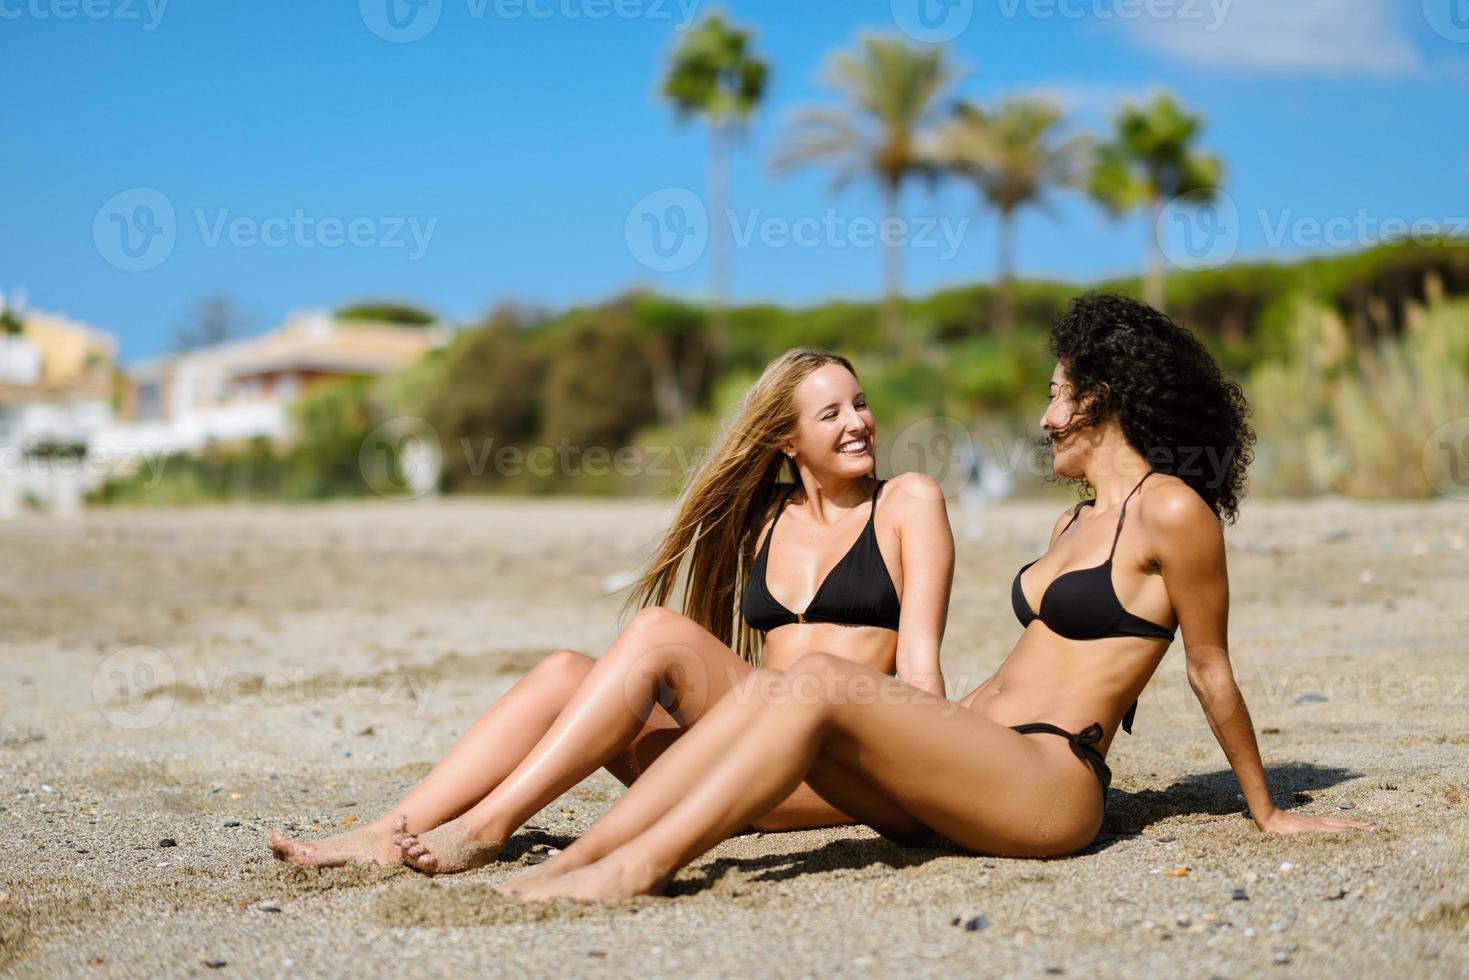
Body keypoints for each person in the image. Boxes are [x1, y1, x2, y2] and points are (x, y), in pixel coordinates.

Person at [494, 293, 1377, 902]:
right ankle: (594, 851)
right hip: (972, 761)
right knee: (777, 683)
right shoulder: (1072, 523)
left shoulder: (1172, 511)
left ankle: (635, 869)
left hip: (1047, 784)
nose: (1041, 420)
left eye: (1055, 396)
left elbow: (1209, 670)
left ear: (1099, 403)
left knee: (817, 683)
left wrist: (1265, 811)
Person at [267, 348, 954, 872]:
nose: (858, 423)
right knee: (565, 670)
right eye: (830, 413)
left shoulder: (907, 502)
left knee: (656, 631)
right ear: (785, 439)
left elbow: (920, 671)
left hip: (848, 767)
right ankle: (387, 828)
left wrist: (935, 790)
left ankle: (487, 827)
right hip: (744, 751)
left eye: (858, 404)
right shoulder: (764, 519)